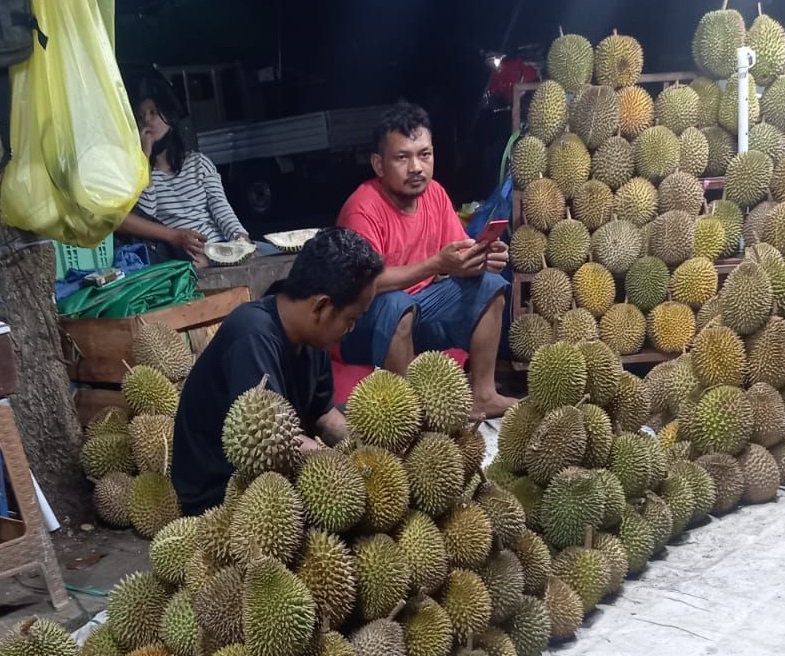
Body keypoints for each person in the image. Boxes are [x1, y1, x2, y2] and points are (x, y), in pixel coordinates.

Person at [171, 227, 384, 515]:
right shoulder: (252, 334)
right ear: (321, 306)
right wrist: (344, 468)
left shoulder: (314, 339)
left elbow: (322, 415)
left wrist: (369, 450)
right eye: (350, 319)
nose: (352, 328)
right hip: (222, 492)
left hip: (277, 469)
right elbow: (270, 442)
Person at [336, 101, 517, 419]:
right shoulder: (362, 208)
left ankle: (483, 395)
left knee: (490, 285)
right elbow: (365, 283)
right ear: (379, 165)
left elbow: (458, 251)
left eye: (425, 154)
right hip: (359, 325)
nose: (416, 167)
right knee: (395, 303)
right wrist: (437, 265)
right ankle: (411, 416)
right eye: (402, 158)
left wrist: (483, 255)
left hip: (419, 311)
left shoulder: (434, 194)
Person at [118, 91, 250, 267]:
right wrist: (144, 156)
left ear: (170, 120)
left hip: (218, 247)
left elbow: (221, 209)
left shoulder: (198, 162)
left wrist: (241, 239)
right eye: (141, 117)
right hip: (184, 254)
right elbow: (147, 213)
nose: (147, 120)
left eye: (153, 112)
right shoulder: (142, 174)